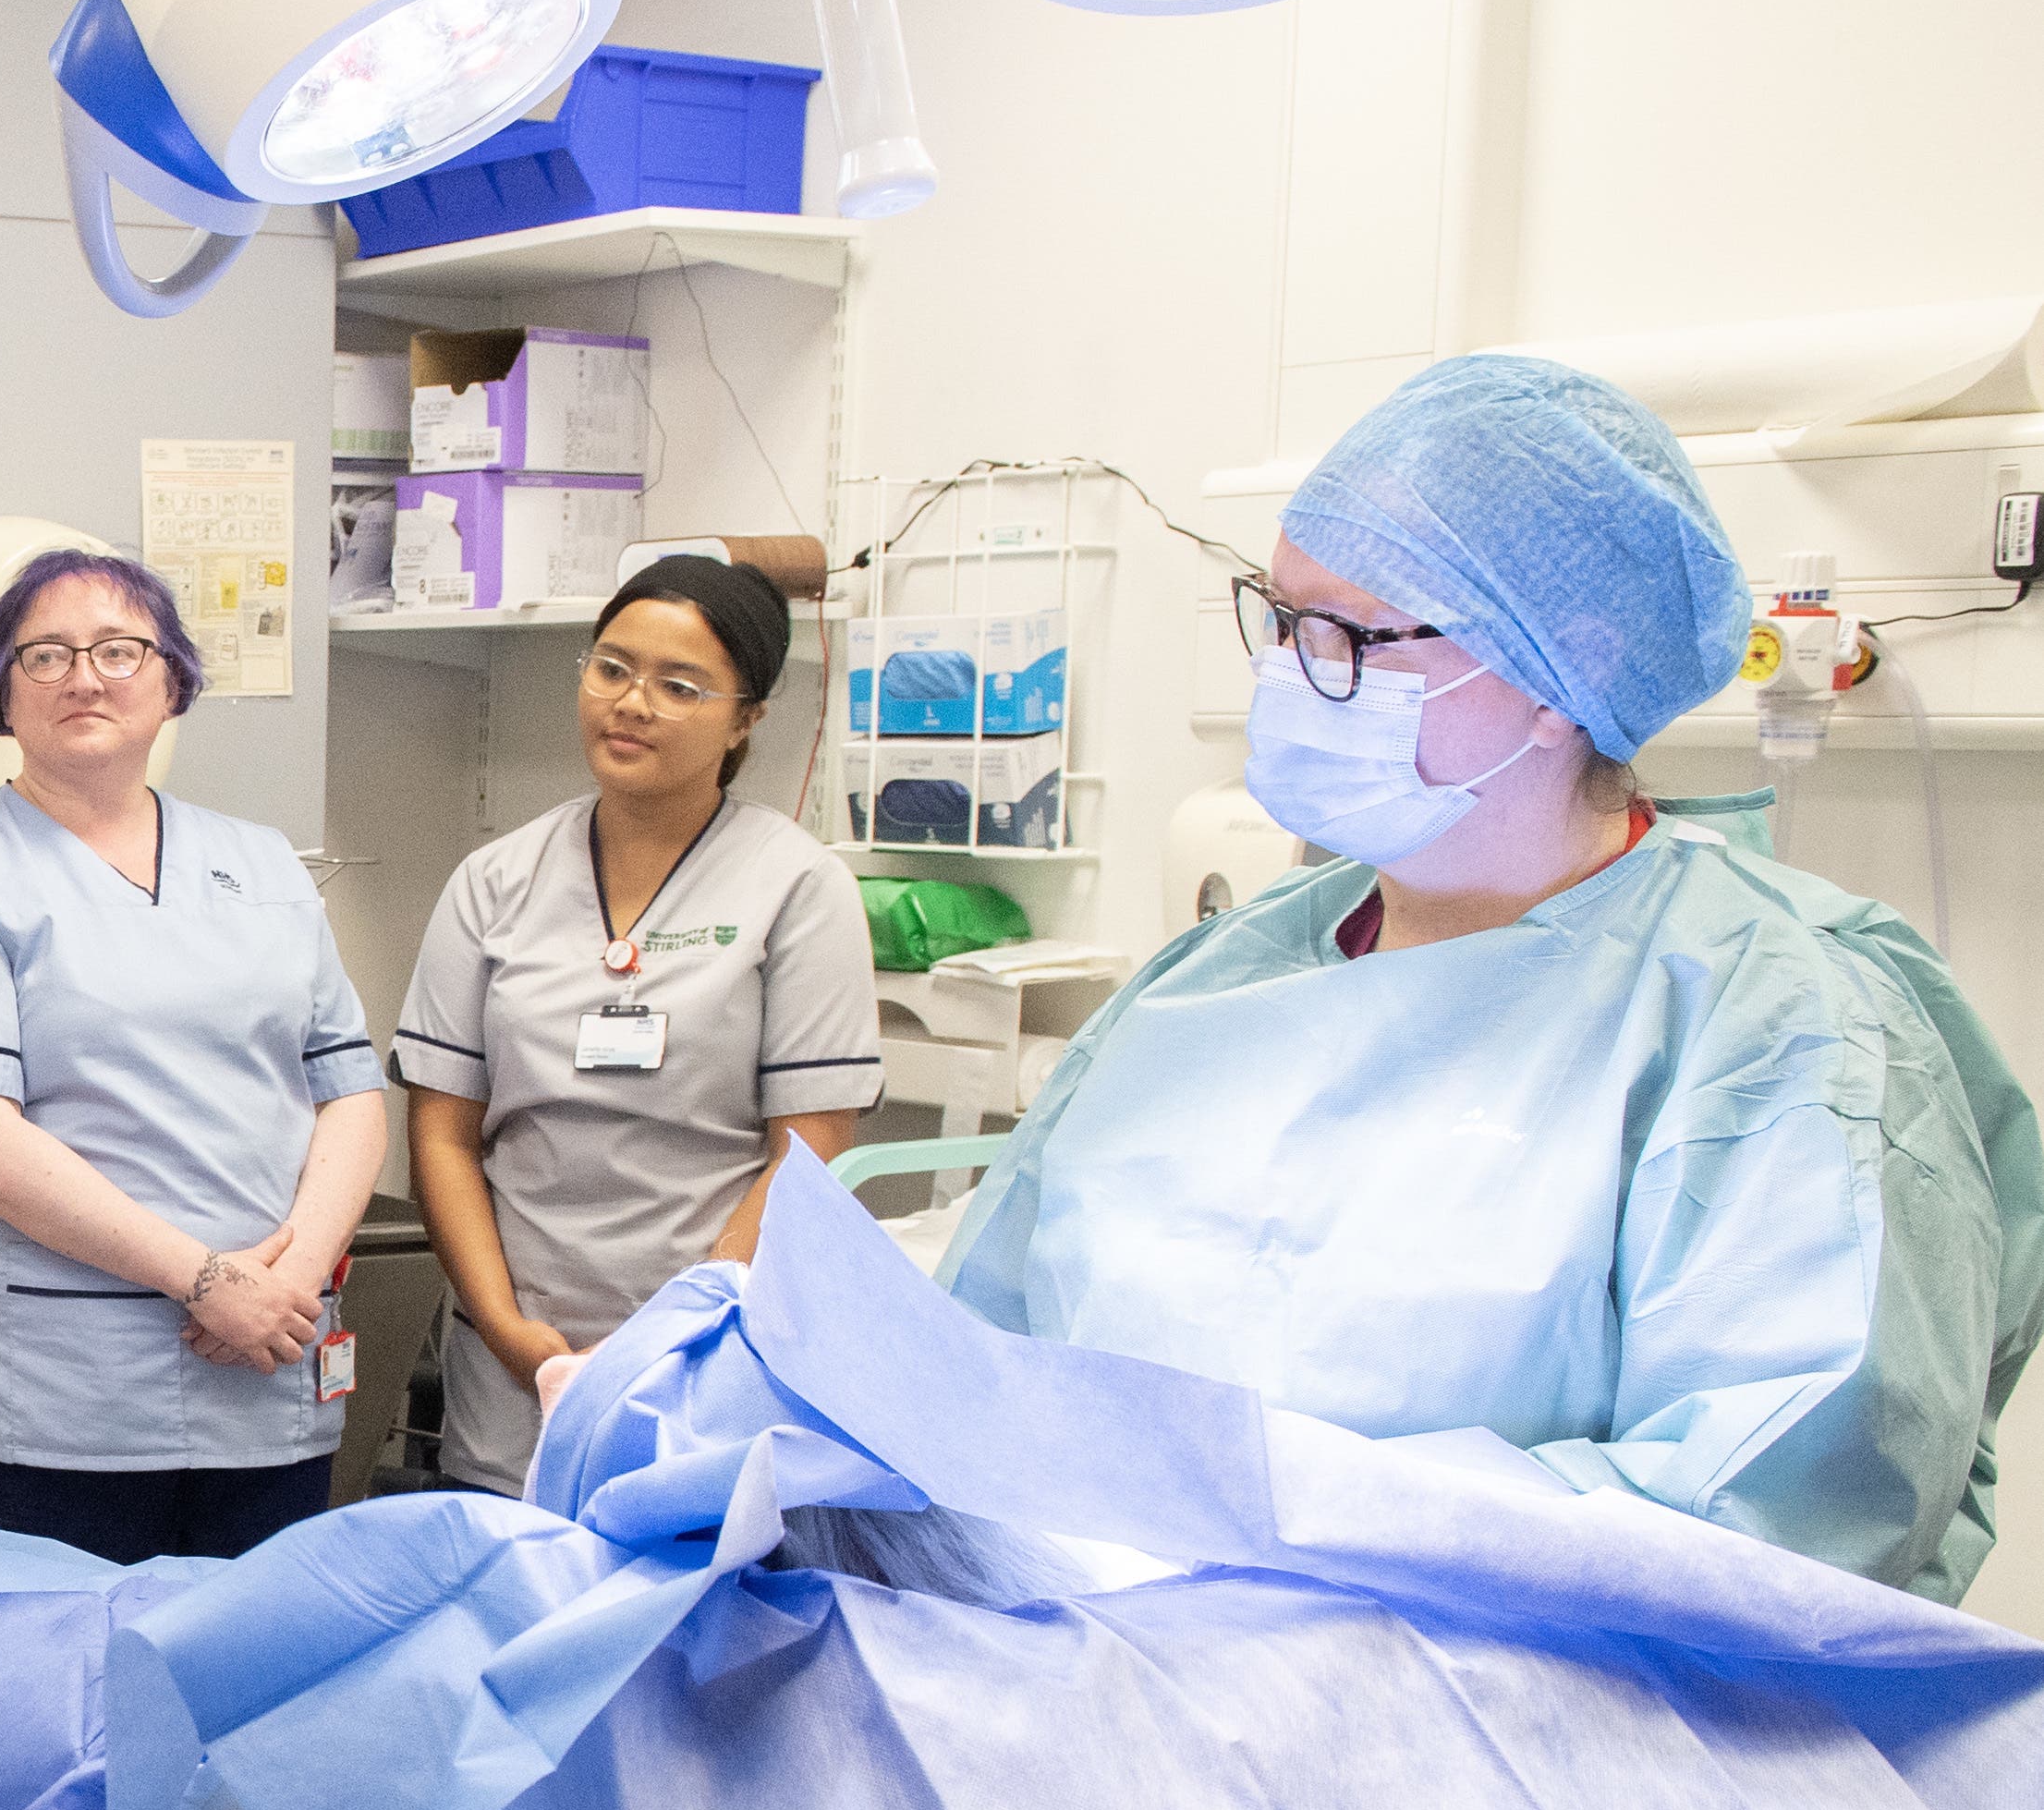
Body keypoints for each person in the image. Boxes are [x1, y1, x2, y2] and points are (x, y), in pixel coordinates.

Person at [947, 350, 2044, 1597]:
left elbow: (1765, 1531)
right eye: (1279, 615)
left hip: (1496, 1742)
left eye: (1348, 637)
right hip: (1074, 1686)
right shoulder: (1212, 982)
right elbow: (981, 1367)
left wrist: (1266, 1552)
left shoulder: (1779, 1032)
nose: (1286, 673)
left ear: (1556, 674)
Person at [0, 549, 393, 1562]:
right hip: (65, 1386)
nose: (85, 675)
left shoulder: (261, 863)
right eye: (46, 655)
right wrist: (205, 1281)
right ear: (0, 694)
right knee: (69, 1678)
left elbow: (349, 1089)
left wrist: (284, 1281)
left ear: (171, 682)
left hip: (267, 1364)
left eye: (120, 649)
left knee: (247, 1675)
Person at [391, 555, 883, 1490]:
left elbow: (809, 1155)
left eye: (679, 685)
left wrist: (672, 1334)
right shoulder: (497, 880)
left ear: (746, 719)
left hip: (704, 1355)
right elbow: (443, 1135)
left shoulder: (797, 889)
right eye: (611, 667)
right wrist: (503, 1326)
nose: (632, 702)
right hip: (514, 1359)